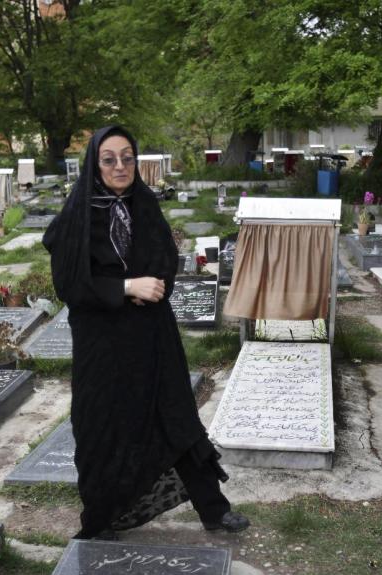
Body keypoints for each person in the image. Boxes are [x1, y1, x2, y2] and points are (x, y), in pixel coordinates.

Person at [43, 125, 249, 540]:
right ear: (94, 163)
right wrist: (124, 287)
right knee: (102, 425)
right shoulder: (76, 216)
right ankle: (101, 519)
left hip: (151, 332)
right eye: (109, 159)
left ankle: (213, 508)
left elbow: (164, 258)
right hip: (102, 342)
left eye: (127, 158)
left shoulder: (145, 204)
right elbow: (69, 283)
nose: (120, 166)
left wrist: (155, 285)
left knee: (175, 416)